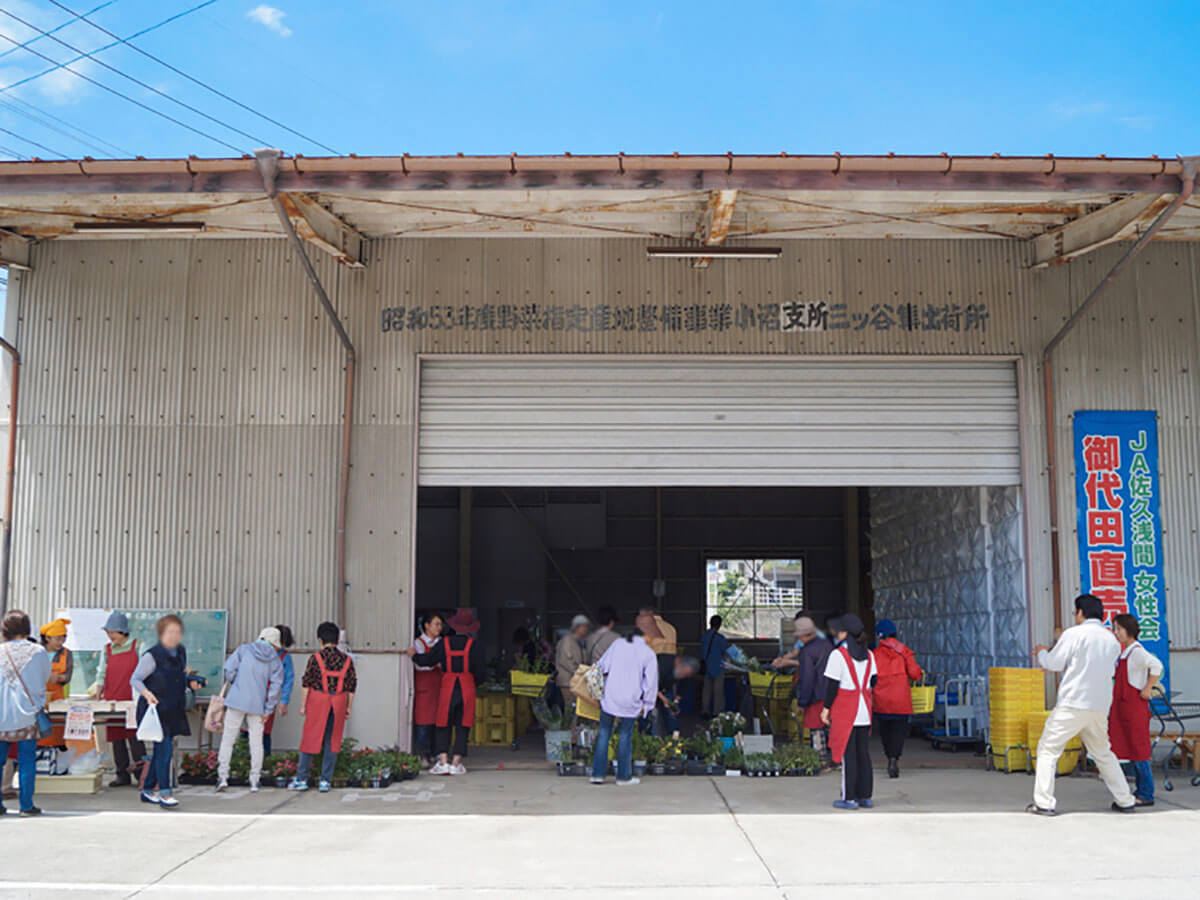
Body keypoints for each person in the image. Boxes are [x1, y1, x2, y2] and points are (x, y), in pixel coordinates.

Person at [1028, 593, 1136, 816]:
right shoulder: (1111, 641)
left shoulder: (1074, 634)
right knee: (1103, 753)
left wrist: (1042, 653)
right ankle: (1125, 800)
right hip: (1099, 706)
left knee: (1048, 749)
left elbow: (1054, 663)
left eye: (1075, 612)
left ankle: (1044, 803)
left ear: (1080, 613)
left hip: (1073, 703)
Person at [131, 614, 202, 809]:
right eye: (170, 632)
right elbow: (135, 679)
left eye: (178, 632)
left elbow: (179, 676)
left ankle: (147, 790)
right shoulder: (151, 655)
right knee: (165, 750)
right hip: (155, 709)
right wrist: (147, 694)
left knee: (161, 751)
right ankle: (165, 792)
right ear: (161, 633)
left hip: (173, 708)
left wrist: (190, 682)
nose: (174, 636)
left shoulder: (180, 652)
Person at [407, 609, 485, 776]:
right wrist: (473, 682)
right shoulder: (474, 646)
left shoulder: (445, 643)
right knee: (463, 724)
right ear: (471, 629)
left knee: (443, 722)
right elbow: (482, 672)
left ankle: (443, 762)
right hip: (467, 685)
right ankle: (456, 763)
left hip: (448, 684)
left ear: (454, 626)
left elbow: (428, 660)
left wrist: (414, 656)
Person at [290, 622, 357, 792]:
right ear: (337, 639)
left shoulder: (315, 658)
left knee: (310, 738)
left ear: (320, 639)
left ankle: (302, 779)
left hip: (318, 700)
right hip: (339, 702)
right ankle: (325, 780)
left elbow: (306, 682)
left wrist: (303, 705)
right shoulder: (347, 660)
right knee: (332, 741)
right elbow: (351, 686)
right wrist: (348, 707)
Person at [217, 627, 284, 793]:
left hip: (237, 701)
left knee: (228, 740)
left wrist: (237, 682)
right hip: (258, 705)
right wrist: (268, 709)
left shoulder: (244, 649)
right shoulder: (275, 659)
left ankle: (223, 777)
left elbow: (228, 670)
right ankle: (255, 780)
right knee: (256, 743)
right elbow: (276, 687)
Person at [821, 614, 876, 810]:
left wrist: (826, 710)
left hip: (846, 711)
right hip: (864, 711)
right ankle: (865, 796)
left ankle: (849, 798)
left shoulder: (838, 655)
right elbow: (873, 682)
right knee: (863, 754)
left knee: (848, 755)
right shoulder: (870, 655)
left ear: (845, 633)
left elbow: (832, 687)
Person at [590, 627, 658, 786]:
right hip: (630, 700)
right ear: (645, 636)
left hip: (610, 697)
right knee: (625, 736)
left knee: (603, 733)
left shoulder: (617, 645)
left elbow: (601, 666)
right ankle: (623, 776)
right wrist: (648, 704)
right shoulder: (648, 653)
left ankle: (597, 775)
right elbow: (651, 682)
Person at [1108, 613, 1163, 807]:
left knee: (1139, 750)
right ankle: (1139, 790)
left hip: (1134, 708)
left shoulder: (1137, 652)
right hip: (1124, 708)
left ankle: (1146, 793)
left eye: (1118, 629)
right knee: (1130, 748)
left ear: (1129, 630)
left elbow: (1156, 665)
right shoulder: (1125, 652)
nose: (1116, 633)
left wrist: (1148, 687)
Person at [0, 610, 51, 816]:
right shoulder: (38, 652)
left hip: (1, 714)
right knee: (27, 759)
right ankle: (26, 805)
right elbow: (44, 677)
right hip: (28, 714)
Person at [87, 611, 145, 787]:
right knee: (116, 737)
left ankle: (142, 774)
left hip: (132, 698)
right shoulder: (106, 649)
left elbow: (145, 670)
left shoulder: (138, 646)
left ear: (123, 632)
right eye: (108, 633)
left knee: (135, 737)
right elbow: (101, 671)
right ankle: (122, 775)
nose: (110, 636)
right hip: (112, 697)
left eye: (112, 632)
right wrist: (99, 687)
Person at [772, 614, 833, 765]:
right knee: (831, 727)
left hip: (815, 695)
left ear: (806, 635)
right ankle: (837, 758)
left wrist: (802, 701)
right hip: (831, 692)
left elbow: (807, 679)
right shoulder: (827, 645)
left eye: (800, 636)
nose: (799, 639)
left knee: (816, 728)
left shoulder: (807, 651)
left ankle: (821, 760)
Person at [872, 618, 924, 779]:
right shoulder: (905, 652)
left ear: (879, 637)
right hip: (901, 699)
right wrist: (920, 672)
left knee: (885, 731)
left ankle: (889, 756)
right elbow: (915, 675)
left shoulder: (874, 654)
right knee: (898, 732)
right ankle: (894, 758)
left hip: (881, 699)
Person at [411, 611, 444, 764]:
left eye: (440, 624)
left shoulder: (441, 642)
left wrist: (430, 662)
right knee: (423, 721)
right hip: (424, 686)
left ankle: (437, 752)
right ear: (426, 625)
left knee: (439, 721)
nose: (439, 627)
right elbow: (419, 665)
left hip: (439, 686)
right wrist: (434, 664)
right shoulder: (418, 643)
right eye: (436, 624)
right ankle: (423, 754)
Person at [259, 624, 294, 757]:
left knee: (265, 732)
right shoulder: (257, 651)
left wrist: (284, 701)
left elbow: (288, 680)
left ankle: (264, 762)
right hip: (253, 696)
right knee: (246, 730)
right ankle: (244, 763)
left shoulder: (285, 657)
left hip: (269, 698)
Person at [38, 618, 73, 750]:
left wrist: (58, 677)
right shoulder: (37, 652)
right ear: (47, 638)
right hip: (38, 699)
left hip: (57, 699)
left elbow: (68, 676)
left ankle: (59, 765)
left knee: (58, 735)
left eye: (63, 638)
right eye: (57, 639)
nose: (61, 642)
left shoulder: (67, 654)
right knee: (40, 734)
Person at [555, 615, 590, 715]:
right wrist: (579, 672)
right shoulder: (567, 640)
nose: (586, 629)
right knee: (570, 707)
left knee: (575, 707)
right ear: (577, 627)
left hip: (576, 680)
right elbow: (565, 660)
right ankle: (571, 727)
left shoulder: (579, 642)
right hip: (568, 681)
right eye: (585, 627)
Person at [700, 615, 730, 716]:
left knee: (706, 691)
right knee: (718, 691)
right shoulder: (720, 638)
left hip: (706, 667)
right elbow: (725, 653)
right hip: (718, 667)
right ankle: (716, 712)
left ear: (710, 623)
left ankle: (705, 711)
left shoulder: (704, 636)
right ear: (719, 625)